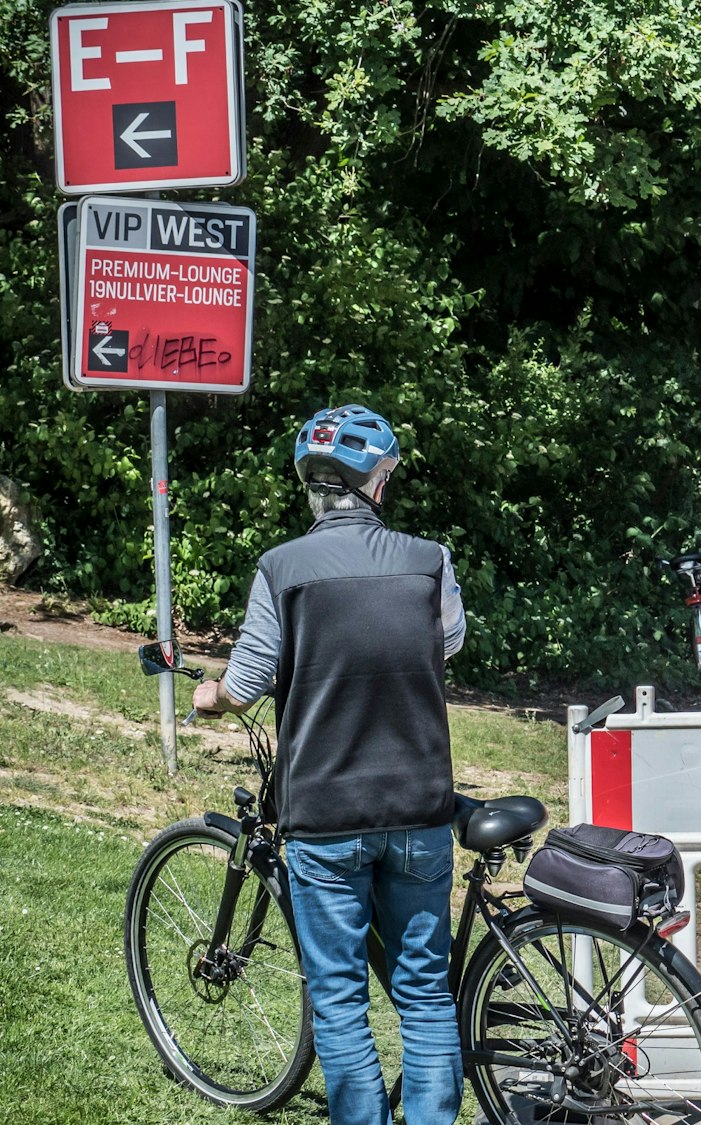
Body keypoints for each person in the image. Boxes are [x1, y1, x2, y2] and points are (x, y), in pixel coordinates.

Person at [193, 404, 466, 1125]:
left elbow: (247, 681)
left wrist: (210, 695)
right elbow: (451, 643)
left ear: (312, 486)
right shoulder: (429, 557)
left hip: (324, 815)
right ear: (377, 481)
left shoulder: (280, 568)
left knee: (341, 1000)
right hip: (419, 807)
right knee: (426, 993)